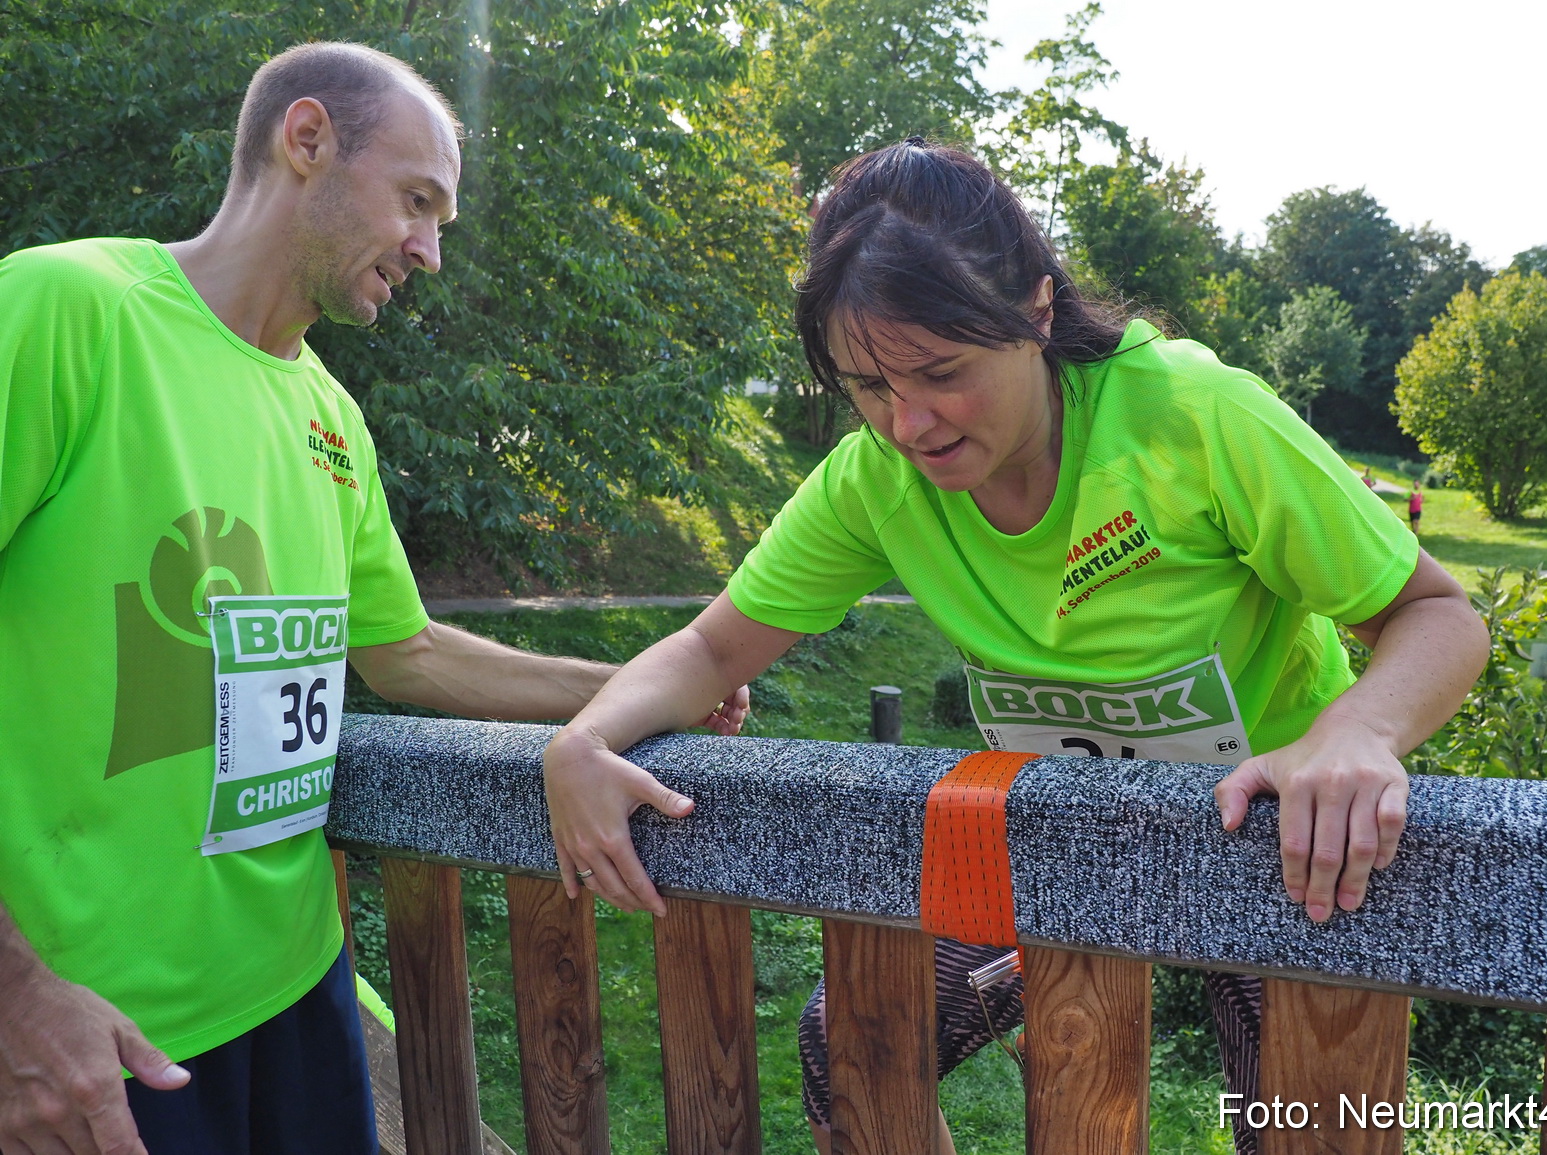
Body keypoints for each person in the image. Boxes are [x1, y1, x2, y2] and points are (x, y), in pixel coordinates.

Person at [540, 140, 1488, 1155]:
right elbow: (711, 649)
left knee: (1308, 1124)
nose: (910, 423)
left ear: (1036, 313)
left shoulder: (1191, 415)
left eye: (941, 373)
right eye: (866, 386)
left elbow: (1436, 615)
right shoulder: (872, 479)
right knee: (854, 1036)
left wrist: (1357, 733)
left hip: (1275, 842)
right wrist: (585, 739)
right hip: (1057, 831)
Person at [0, 43, 746, 1155]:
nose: (431, 251)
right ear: (306, 142)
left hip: (300, 993)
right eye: (417, 201)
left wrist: (643, 690)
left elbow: (405, 654)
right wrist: (15, 997)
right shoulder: (66, 308)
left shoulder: (333, 417)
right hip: (95, 1028)